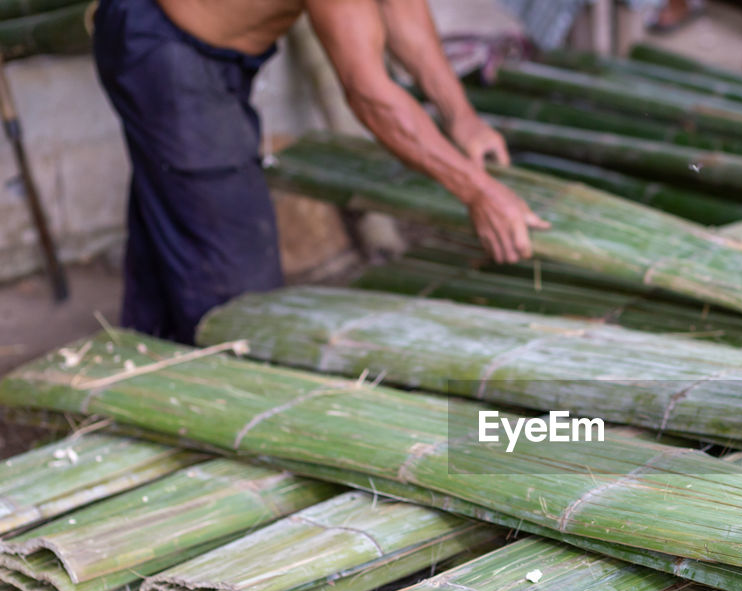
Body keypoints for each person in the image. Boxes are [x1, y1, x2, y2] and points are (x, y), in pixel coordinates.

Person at [93, 0, 548, 343]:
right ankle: (215, 393)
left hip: (202, 49)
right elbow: (369, 93)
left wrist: (461, 115)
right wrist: (476, 191)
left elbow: (403, 14)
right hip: (161, 43)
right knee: (234, 276)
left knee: (180, 208)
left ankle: (146, 355)